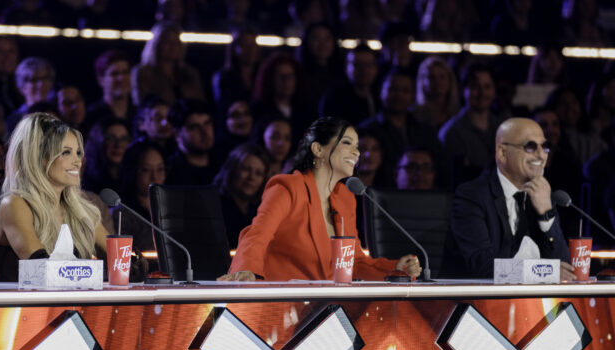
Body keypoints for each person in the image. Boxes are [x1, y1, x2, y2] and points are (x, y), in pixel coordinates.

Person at [221, 117, 421, 282]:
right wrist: (247, 271)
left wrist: (395, 268)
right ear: (318, 149)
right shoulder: (287, 188)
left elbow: (353, 264)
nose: (357, 152)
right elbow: (257, 236)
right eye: (347, 143)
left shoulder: (345, 198)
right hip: (282, 310)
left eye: (357, 146)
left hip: (326, 311)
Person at [441, 117, 572, 279]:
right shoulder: (471, 196)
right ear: (502, 153)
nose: (541, 155)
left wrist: (546, 215)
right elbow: (483, 266)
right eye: (530, 146)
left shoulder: (542, 195)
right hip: (474, 301)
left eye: (545, 147)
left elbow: (564, 268)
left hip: (529, 302)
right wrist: (546, 272)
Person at [0, 112, 108, 267]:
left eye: (78, 153)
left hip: (71, 291)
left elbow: (117, 251)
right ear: (39, 158)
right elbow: (41, 265)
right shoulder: (15, 204)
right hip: (26, 291)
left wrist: (133, 260)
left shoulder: (79, 208)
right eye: (66, 152)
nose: (78, 162)